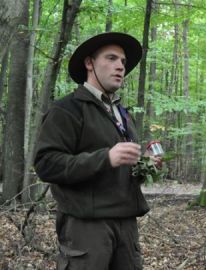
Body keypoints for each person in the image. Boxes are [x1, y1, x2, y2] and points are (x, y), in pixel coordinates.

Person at [34, 32, 161, 269]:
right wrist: (106, 157)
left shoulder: (123, 113)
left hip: (126, 225)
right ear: (89, 63)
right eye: (111, 58)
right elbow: (46, 163)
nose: (120, 67)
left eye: (122, 62)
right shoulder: (68, 109)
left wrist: (144, 165)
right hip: (87, 227)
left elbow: (122, 169)